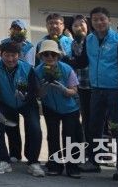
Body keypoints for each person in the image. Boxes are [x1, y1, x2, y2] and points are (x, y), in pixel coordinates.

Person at [74, 7, 118, 178]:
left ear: (109, 20)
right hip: (96, 89)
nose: (99, 22)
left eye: (102, 19)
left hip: (115, 90)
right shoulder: (89, 39)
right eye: (95, 19)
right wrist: (63, 60)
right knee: (94, 127)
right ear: (91, 22)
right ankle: (93, 161)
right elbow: (83, 62)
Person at [0, 40, 44, 176]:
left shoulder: (27, 68)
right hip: (5, 103)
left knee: (35, 128)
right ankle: (3, 160)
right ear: (1, 54)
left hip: (27, 104)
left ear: (19, 55)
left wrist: (26, 96)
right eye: (7, 55)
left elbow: (34, 91)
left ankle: (33, 162)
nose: (10, 59)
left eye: (14, 55)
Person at [34, 40, 82, 178]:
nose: (50, 57)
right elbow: (38, 95)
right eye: (46, 54)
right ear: (41, 56)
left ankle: (73, 166)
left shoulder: (66, 69)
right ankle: (55, 165)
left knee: (70, 136)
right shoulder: (37, 71)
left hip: (70, 109)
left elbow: (74, 91)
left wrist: (63, 89)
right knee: (52, 136)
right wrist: (44, 87)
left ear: (58, 56)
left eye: (53, 54)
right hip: (50, 108)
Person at [0, 19, 34, 162]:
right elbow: (1, 62)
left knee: (30, 125)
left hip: (23, 84)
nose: (16, 31)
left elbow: (31, 65)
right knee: (11, 123)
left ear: (24, 31)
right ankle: (15, 153)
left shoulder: (29, 46)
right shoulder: (4, 43)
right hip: (8, 85)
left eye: (19, 29)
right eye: (14, 28)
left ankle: (30, 154)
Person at [67, 15, 91, 147]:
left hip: (94, 85)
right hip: (81, 85)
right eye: (75, 25)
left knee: (98, 119)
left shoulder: (92, 40)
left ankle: (99, 149)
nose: (79, 27)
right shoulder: (73, 43)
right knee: (85, 117)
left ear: (87, 25)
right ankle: (87, 146)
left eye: (82, 24)